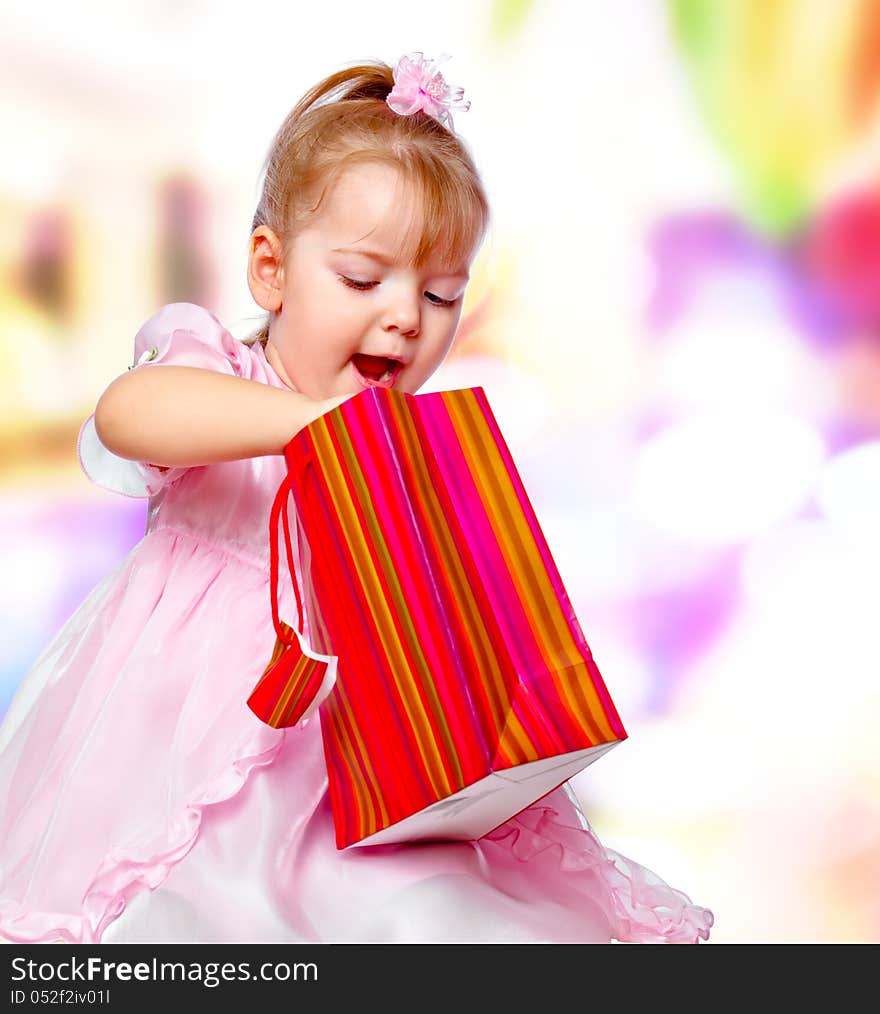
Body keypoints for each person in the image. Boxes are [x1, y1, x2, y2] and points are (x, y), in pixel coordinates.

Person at [0, 52, 713, 944]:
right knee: (187, 920)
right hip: (192, 763)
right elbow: (133, 412)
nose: (407, 316)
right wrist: (305, 426)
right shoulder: (220, 372)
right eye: (364, 280)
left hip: (377, 774)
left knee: (449, 918)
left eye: (442, 293)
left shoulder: (415, 457)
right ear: (271, 270)